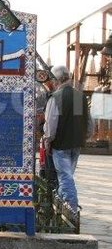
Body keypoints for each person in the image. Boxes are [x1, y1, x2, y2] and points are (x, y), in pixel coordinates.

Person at [42, 65, 91, 214]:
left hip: (61, 145)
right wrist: (83, 136)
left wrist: (47, 140)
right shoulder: (79, 96)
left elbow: (51, 125)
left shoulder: (56, 98)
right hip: (76, 144)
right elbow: (88, 123)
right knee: (68, 175)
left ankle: (72, 209)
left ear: (56, 80)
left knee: (64, 177)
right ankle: (61, 203)